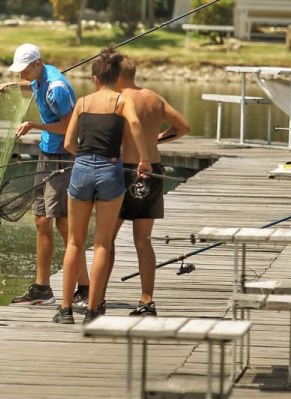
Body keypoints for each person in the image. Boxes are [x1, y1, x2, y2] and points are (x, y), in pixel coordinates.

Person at [52, 48, 151, 324]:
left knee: (74, 241)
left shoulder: (82, 103)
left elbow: (69, 143)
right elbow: (133, 122)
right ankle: (93, 311)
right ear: (116, 77)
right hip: (110, 170)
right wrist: (144, 159)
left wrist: (85, 156)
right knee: (102, 244)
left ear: (95, 78)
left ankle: (65, 309)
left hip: (82, 168)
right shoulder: (121, 101)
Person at [0, 43, 90, 306]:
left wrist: (34, 125)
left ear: (37, 64)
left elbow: (71, 125)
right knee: (40, 219)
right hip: (46, 153)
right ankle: (42, 288)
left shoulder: (56, 88)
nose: (21, 75)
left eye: (23, 70)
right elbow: (32, 86)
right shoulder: (40, 76)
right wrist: (14, 86)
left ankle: (84, 287)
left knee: (62, 223)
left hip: (63, 156)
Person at [106, 54, 190, 317]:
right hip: (152, 171)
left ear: (117, 76)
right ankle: (146, 300)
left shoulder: (118, 99)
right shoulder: (155, 97)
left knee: (106, 238)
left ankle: (97, 296)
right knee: (143, 240)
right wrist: (155, 141)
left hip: (125, 171)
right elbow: (184, 127)